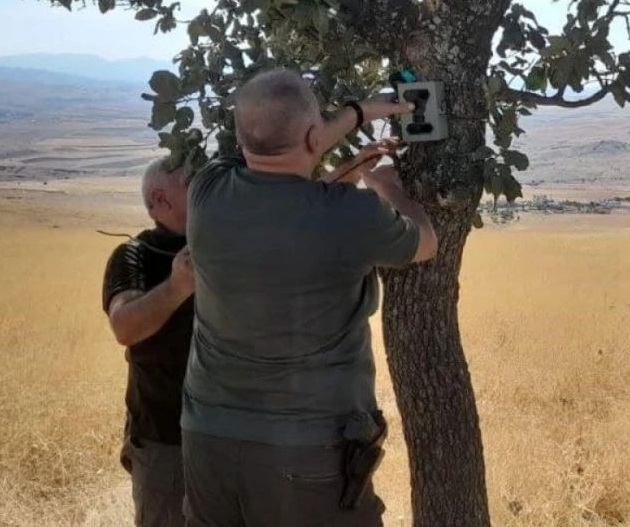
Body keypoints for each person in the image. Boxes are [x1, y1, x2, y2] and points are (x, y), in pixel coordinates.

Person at [180, 68, 438, 527]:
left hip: (207, 439)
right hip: (307, 448)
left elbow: (285, 175)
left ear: (241, 137)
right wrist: (388, 186)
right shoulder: (351, 214)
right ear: (315, 135)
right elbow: (425, 242)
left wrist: (358, 115)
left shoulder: (206, 192)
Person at [101, 157, 195, 527]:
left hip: (231, 430)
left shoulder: (223, 244)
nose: (206, 188)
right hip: (166, 436)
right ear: (160, 198)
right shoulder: (134, 255)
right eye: (193, 182)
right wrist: (177, 287)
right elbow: (124, 326)